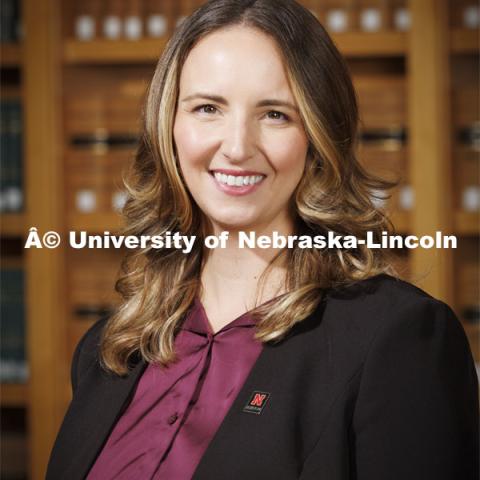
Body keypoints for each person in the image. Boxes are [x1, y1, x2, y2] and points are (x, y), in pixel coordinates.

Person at [46, 1, 479, 479]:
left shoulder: (400, 337)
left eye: (274, 114)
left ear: (318, 135)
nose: (236, 146)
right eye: (208, 108)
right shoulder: (109, 349)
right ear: (168, 126)